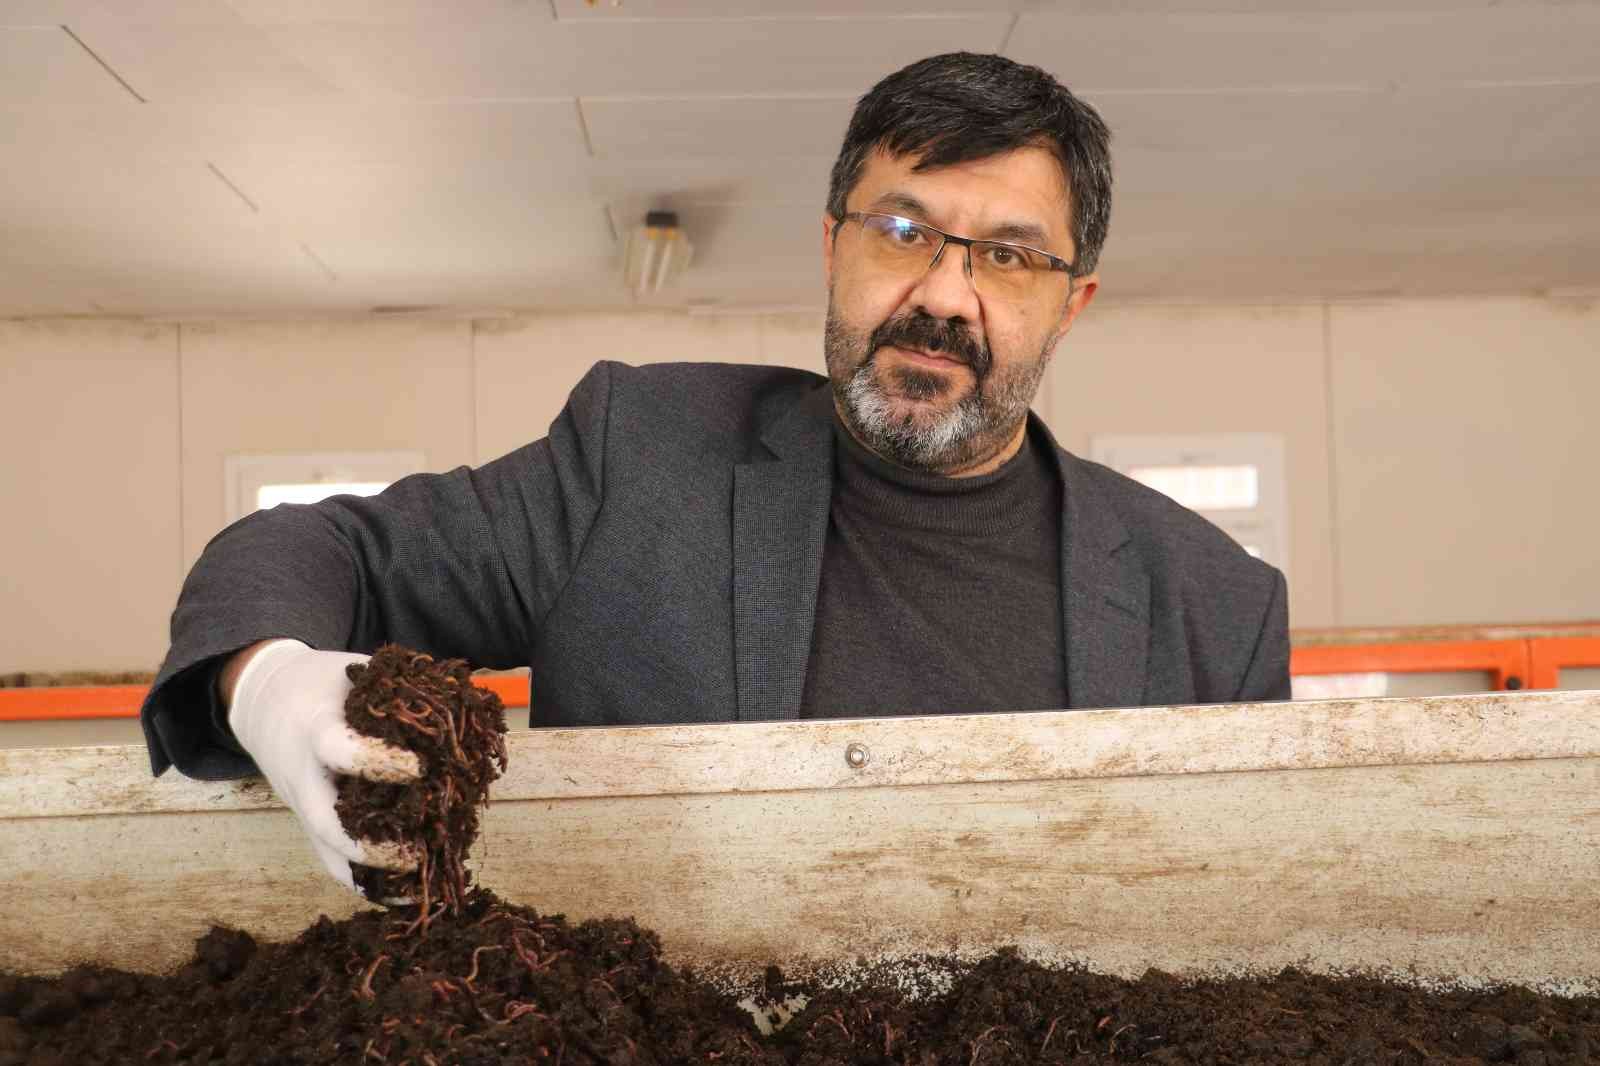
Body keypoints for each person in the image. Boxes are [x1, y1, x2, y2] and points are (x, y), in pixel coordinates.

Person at [140, 52, 1290, 894]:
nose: (945, 294)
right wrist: (263, 679)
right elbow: (322, 547)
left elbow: (1247, 919)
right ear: (832, 245)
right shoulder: (639, 455)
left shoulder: (1215, 607)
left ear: (1070, 303)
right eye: (902, 232)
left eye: (1007, 256)